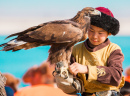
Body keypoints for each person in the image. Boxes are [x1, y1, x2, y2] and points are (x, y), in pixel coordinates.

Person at [69, 7, 125, 96]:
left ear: (109, 33)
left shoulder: (114, 49)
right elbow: (70, 77)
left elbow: (116, 76)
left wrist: (87, 69)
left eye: (100, 33)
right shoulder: (76, 49)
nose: (95, 36)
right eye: (91, 30)